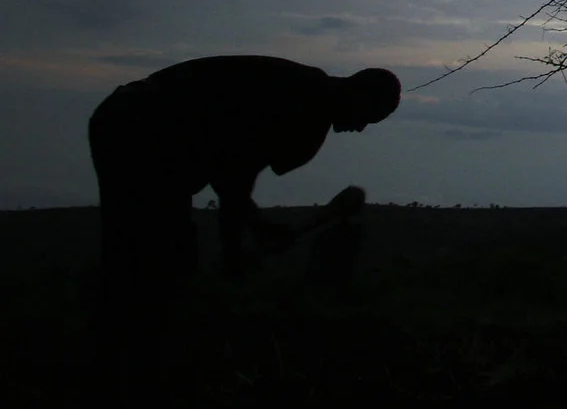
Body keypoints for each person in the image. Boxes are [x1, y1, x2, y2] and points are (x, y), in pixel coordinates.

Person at [87, 56, 401, 294]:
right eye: (368, 117)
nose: (360, 128)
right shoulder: (304, 102)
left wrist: (252, 229)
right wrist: (240, 248)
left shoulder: (308, 93)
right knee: (154, 248)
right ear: (358, 94)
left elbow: (231, 175)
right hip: (141, 123)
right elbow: (232, 177)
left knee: (143, 243)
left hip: (129, 116)